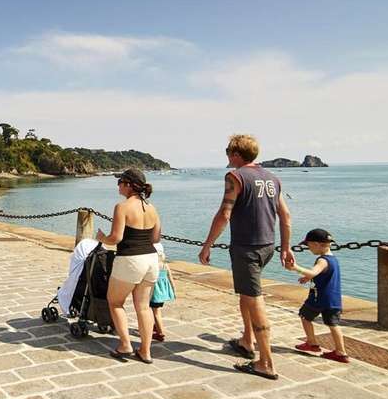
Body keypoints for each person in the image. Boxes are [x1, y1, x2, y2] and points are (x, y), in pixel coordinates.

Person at [199, 134, 294, 381]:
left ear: (237, 155)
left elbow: (225, 213)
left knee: (255, 299)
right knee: (246, 293)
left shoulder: (235, 177)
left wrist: (207, 245)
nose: (228, 159)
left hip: (246, 249)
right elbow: (285, 216)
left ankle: (266, 362)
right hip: (267, 246)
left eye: (229, 154)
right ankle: (246, 340)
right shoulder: (272, 178)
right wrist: (285, 247)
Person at [96, 168, 161, 364]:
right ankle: (145, 351)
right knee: (143, 307)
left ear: (129, 185)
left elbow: (116, 238)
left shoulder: (122, 207)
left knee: (115, 302)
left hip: (130, 260)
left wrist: (101, 237)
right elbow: (156, 237)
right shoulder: (152, 208)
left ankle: (125, 345)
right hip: (151, 259)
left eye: (120, 182)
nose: (118, 185)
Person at [292, 228, 350, 363]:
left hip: (318, 298)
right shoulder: (333, 259)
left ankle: (311, 343)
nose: (308, 248)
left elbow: (314, 272)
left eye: (309, 245)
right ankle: (341, 352)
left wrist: (295, 267)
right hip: (333, 299)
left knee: (304, 316)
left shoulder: (322, 260)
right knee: (333, 324)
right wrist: (307, 278)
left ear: (317, 244)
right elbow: (323, 274)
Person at [150, 243, 176, 342]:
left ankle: (160, 333)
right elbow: (171, 279)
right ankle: (155, 326)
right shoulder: (165, 265)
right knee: (155, 311)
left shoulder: (153, 266)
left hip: (154, 294)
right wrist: (173, 291)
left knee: (156, 312)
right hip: (162, 294)